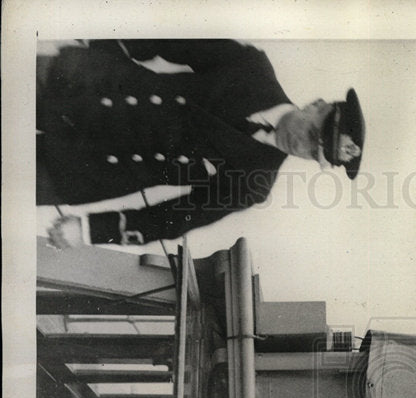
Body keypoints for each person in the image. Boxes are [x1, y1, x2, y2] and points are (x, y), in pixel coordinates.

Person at [38, 39, 366, 246]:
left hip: (78, 171)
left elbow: (176, 217)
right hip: (81, 85)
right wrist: (97, 42)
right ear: (316, 105)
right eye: (312, 135)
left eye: (314, 153)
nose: (301, 147)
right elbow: (171, 40)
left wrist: (91, 230)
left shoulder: (253, 183)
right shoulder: (252, 70)